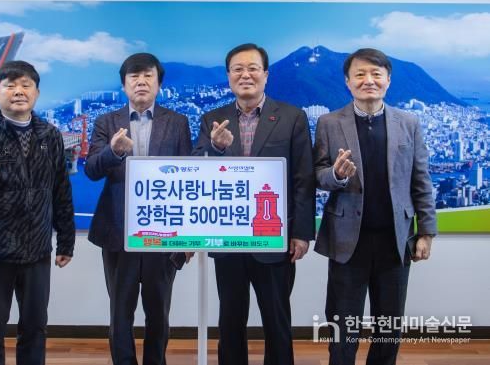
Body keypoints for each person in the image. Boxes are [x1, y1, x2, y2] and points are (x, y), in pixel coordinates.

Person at [192, 43, 315, 365]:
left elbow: (303, 178)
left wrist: (301, 233)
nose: (245, 75)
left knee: (277, 319)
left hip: (273, 236)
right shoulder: (212, 119)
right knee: (230, 320)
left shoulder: (292, 117)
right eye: (238, 69)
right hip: (228, 236)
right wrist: (217, 148)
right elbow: (197, 170)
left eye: (252, 68)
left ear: (266, 75)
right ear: (228, 76)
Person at [313, 48, 437, 365]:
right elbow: (317, 174)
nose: (368, 80)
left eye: (376, 74)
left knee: (389, 328)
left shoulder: (408, 122)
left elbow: (421, 180)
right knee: (342, 326)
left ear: (388, 80)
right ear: (348, 81)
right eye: (360, 74)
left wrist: (426, 233)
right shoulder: (329, 122)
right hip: (347, 241)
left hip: (394, 241)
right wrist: (336, 175)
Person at [0, 60, 76, 365]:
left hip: (36, 252)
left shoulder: (50, 135)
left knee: (35, 330)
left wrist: (66, 242)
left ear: (36, 92)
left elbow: (61, 190)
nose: (18, 91)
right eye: (10, 86)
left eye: (25, 85)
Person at [85, 53, 193, 365]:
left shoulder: (178, 122)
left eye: (148, 76)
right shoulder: (107, 122)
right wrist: (113, 152)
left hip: (165, 233)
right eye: (134, 77)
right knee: (120, 313)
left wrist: (187, 238)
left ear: (159, 84)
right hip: (118, 232)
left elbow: (188, 178)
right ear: (124, 85)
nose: (141, 82)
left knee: (159, 311)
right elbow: (91, 170)